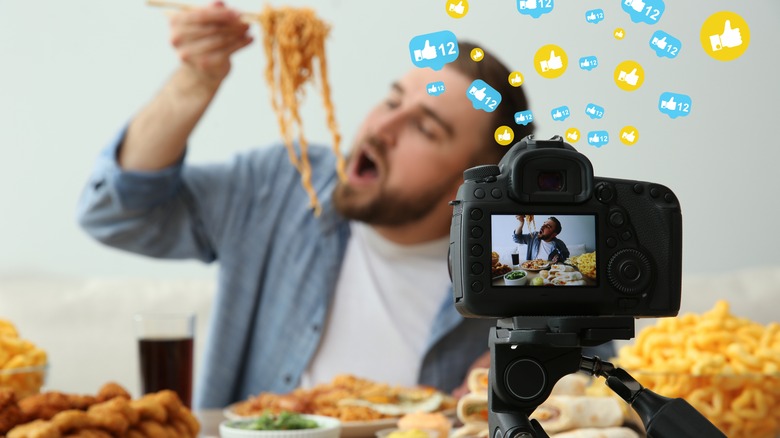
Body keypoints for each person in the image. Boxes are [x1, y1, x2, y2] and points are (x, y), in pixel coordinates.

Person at [77, 2, 536, 409]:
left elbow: (595, 365)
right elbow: (115, 215)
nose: (381, 127)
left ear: (474, 184)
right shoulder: (284, 182)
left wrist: (544, 369)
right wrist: (193, 81)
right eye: (392, 100)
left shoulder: (518, 264)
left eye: (425, 128)